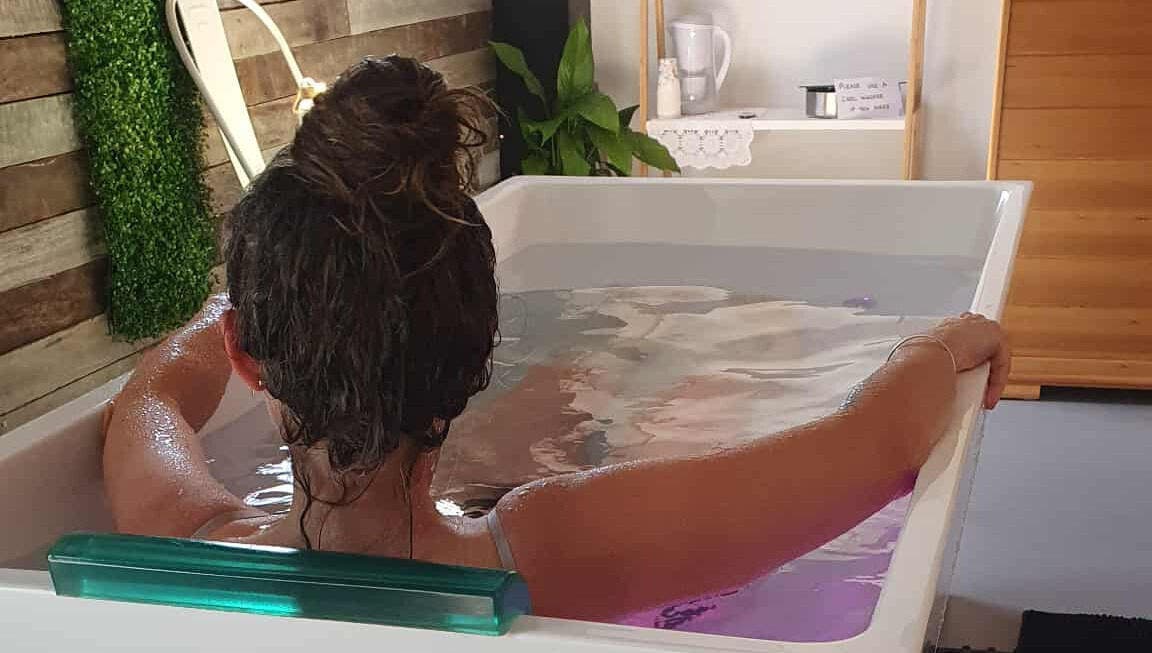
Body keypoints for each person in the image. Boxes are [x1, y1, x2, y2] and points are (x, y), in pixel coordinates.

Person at [103, 55, 1010, 622]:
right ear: (474, 350)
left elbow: (150, 399)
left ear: (249, 358)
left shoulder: (188, 537)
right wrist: (934, 346)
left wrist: (277, 295)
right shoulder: (554, 549)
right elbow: (870, 443)